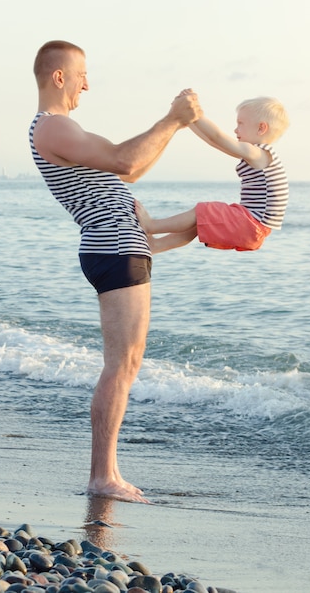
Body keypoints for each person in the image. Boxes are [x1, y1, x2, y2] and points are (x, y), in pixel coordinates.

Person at [29, 40, 201, 503]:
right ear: (59, 76)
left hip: (123, 245)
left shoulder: (66, 129)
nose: (89, 82)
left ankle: (106, 473)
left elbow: (132, 169)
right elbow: (127, 159)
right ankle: (103, 476)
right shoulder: (51, 128)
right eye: (82, 73)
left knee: (127, 363)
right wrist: (174, 120)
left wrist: (175, 128)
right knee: (120, 365)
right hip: (113, 246)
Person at [135, 95, 289, 254]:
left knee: (201, 211)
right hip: (253, 227)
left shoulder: (258, 153)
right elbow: (214, 142)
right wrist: (187, 120)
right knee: (200, 222)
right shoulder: (258, 155)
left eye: (240, 124)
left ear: (261, 128)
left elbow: (218, 137)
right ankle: (157, 246)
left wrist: (197, 115)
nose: (236, 130)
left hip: (252, 224)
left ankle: (152, 226)